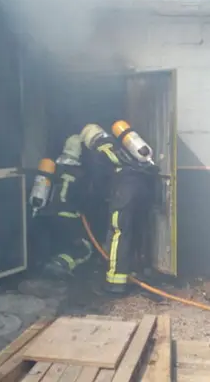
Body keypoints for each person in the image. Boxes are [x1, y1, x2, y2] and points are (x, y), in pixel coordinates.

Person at [80, 122, 158, 295]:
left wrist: (95, 199)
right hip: (143, 189)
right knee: (138, 230)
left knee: (118, 232)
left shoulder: (98, 152)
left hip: (124, 192)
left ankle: (115, 282)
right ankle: (140, 272)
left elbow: (99, 182)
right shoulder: (121, 143)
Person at [38, 135, 94, 278]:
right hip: (69, 219)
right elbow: (83, 200)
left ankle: (48, 264)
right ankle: (60, 265)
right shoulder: (81, 173)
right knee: (85, 249)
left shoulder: (55, 168)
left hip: (49, 215)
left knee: (58, 245)